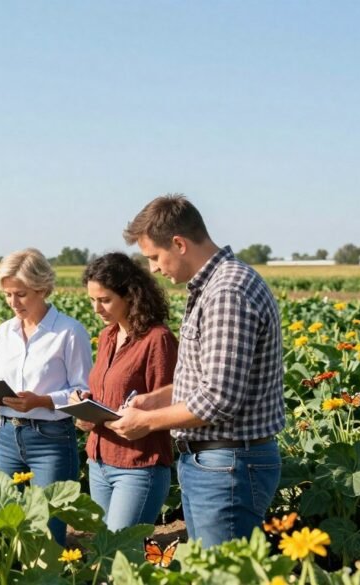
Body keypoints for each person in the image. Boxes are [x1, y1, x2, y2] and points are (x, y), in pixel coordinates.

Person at [106, 195, 285, 548]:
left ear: (179, 244)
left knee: (222, 573)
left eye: (155, 257)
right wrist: (153, 400)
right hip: (216, 462)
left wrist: (145, 423)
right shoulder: (213, 286)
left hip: (227, 462)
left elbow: (218, 399)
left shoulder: (227, 291)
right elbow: (204, 381)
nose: (154, 269)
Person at [0, 248, 91, 546]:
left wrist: (40, 401)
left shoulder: (69, 331)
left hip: (51, 440)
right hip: (5, 436)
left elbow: (83, 393)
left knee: (47, 530)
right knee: (10, 525)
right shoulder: (4, 332)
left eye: (21, 294)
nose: (13, 303)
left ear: (42, 288)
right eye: (7, 295)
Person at [70, 252, 177, 532]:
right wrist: (85, 407)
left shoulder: (157, 339)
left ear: (130, 296)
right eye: (92, 300)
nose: (96, 308)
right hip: (99, 461)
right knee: (107, 552)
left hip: (139, 465)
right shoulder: (107, 336)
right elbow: (107, 392)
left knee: (120, 551)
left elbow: (172, 401)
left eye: (104, 300)